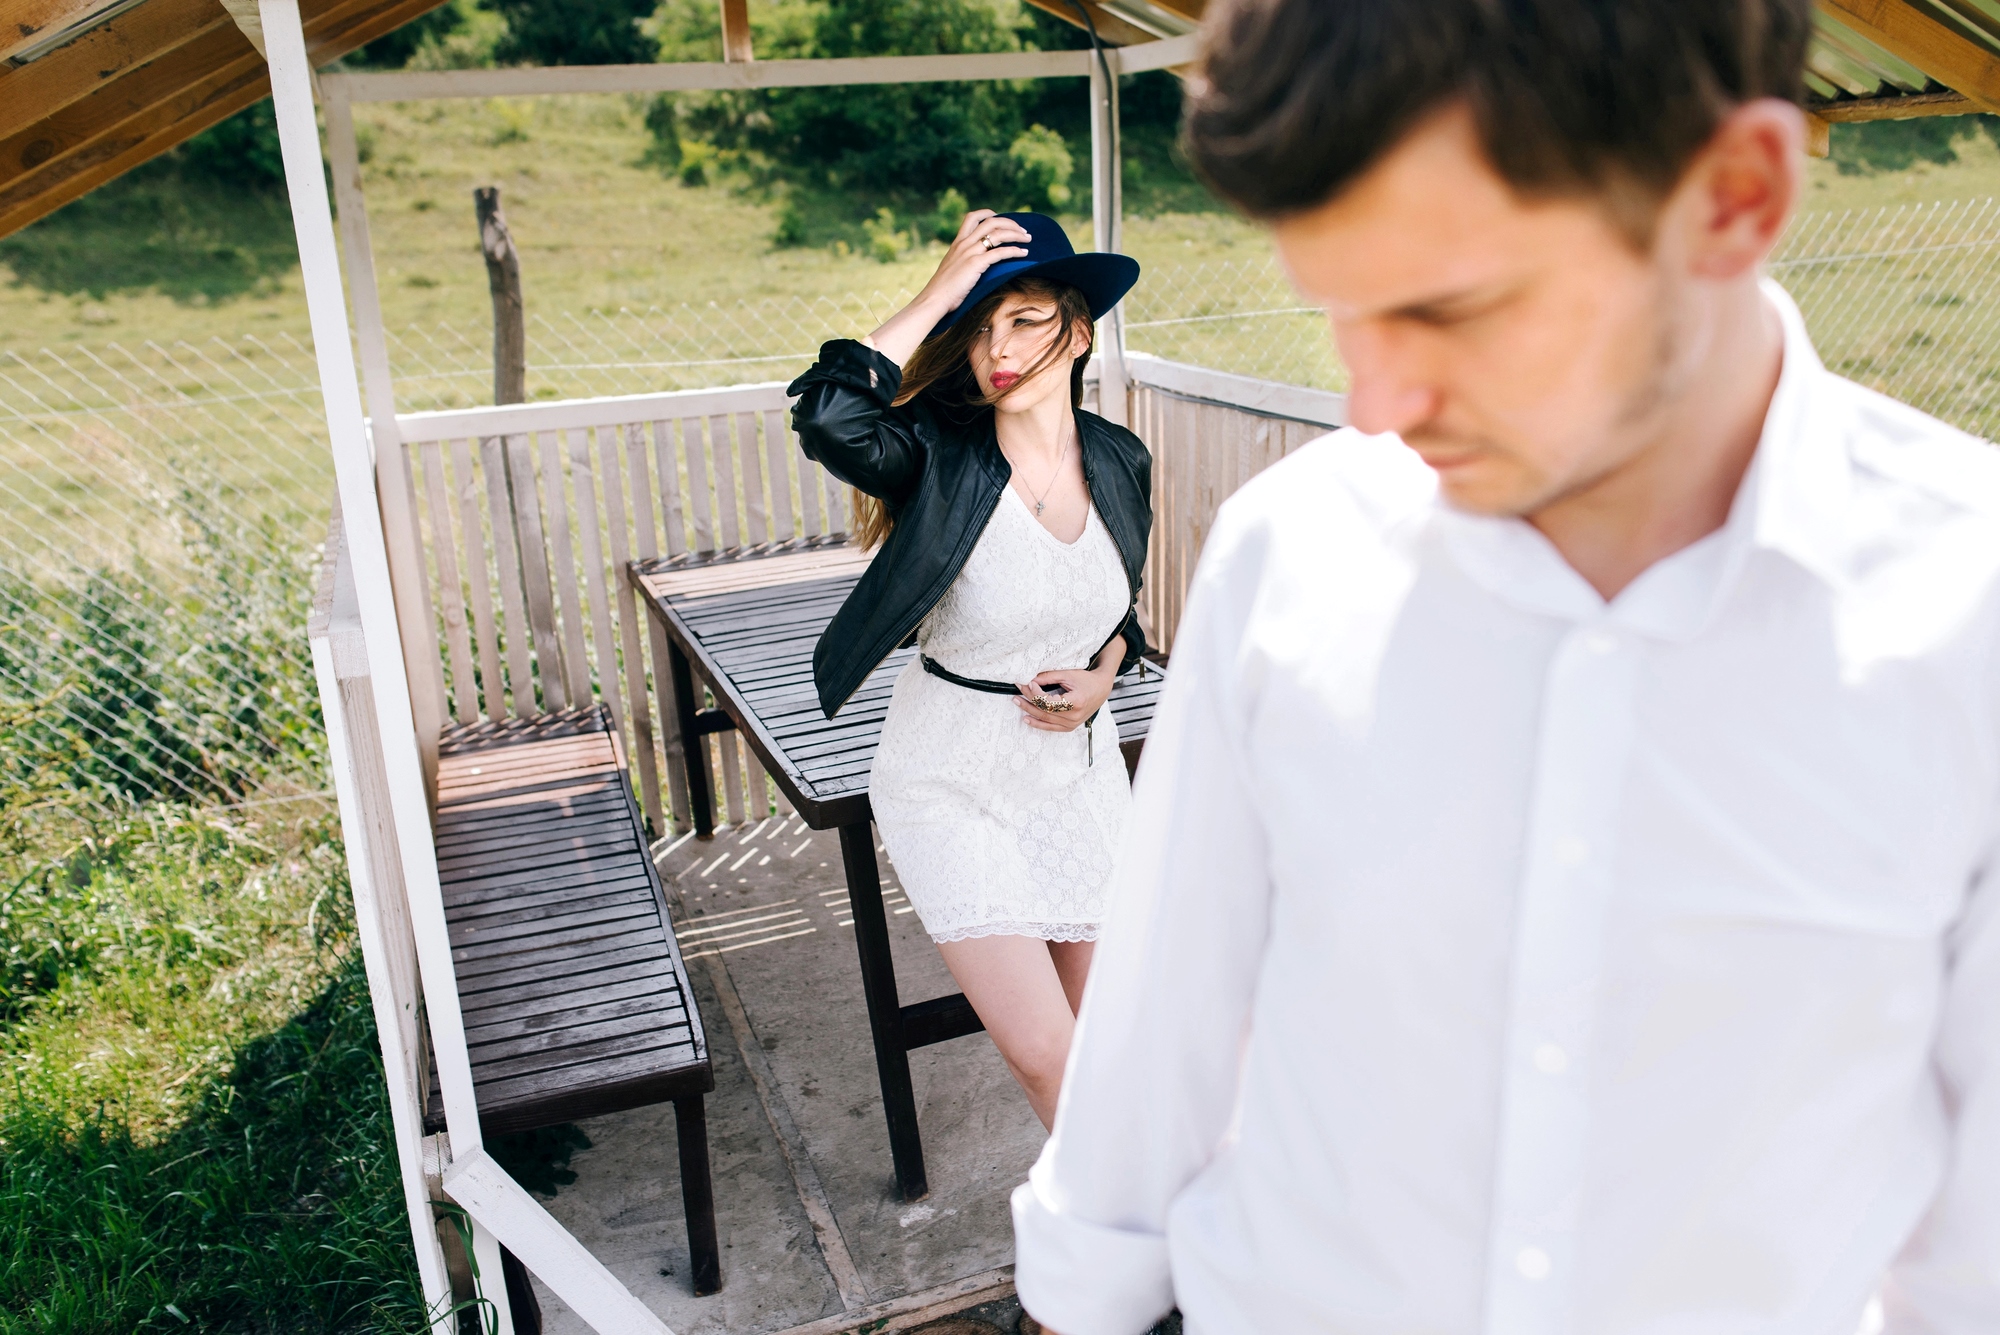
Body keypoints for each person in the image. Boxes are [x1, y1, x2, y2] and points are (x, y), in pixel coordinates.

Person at [1012, 1, 2000, 1332]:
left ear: (1735, 196)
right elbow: (1156, 1029)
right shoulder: (1287, 554)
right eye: (1342, 308)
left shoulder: (1973, 618)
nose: (1375, 403)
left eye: (1452, 307)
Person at [788, 211, 1151, 1128]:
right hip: (952, 780)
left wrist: (1105, 675)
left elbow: (1115, 608)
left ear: (1077, 329)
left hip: (1078, 778)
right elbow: (829, 414)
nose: (999, 347)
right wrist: (940, 292)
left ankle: (1137, 1251)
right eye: (981, 327)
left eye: (1023, 319)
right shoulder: (932, 460)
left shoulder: (1120, 458)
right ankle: (1114, 1257)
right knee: (1050, 1059)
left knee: (1118, 1043)